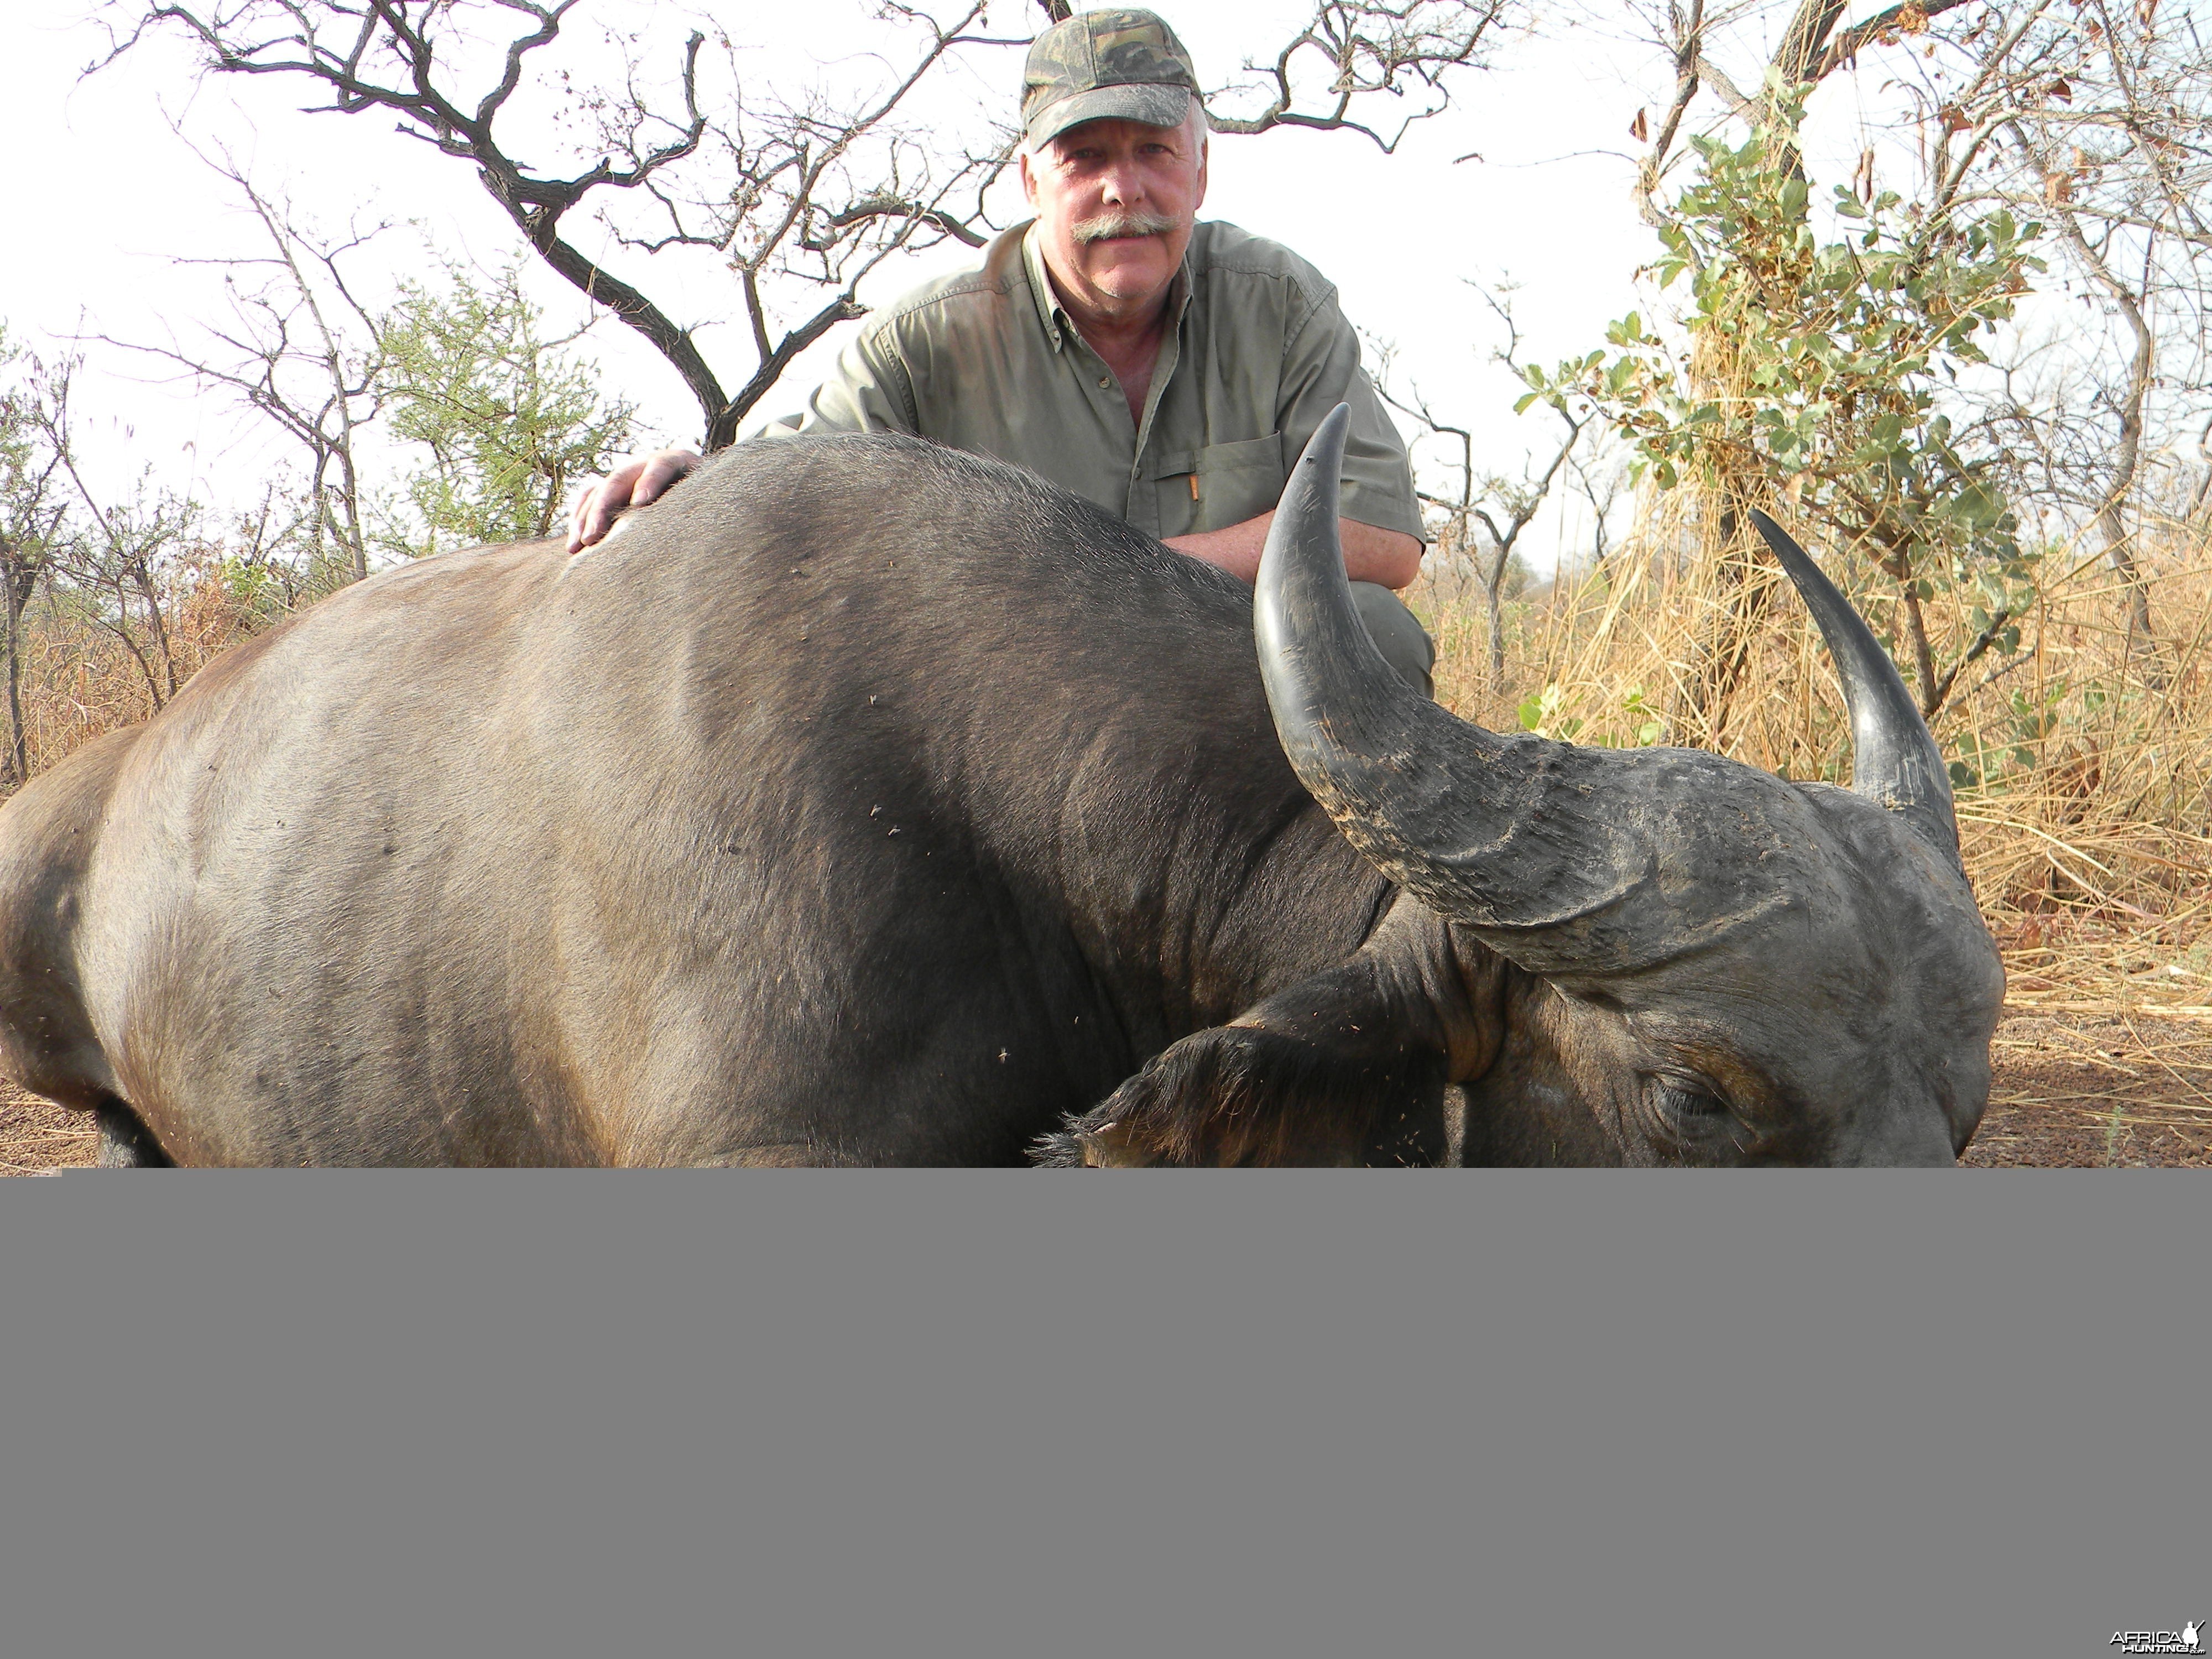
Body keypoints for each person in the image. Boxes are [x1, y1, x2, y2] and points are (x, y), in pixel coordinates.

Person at [567, 7, 1436, 692]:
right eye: (1083, 157)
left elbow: (1382, 537)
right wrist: (690, 478)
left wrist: (1127, 581)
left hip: (1218, 690)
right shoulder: (925, 339)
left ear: (1201, 168)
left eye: (1153, 152)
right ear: (1031, 182)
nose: (1122, 189)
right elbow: (794, 483)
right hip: (1018, 720)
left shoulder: (1280, 305)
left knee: (1378, 635)